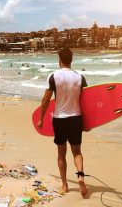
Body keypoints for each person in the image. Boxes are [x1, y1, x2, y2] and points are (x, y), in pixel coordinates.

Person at [37, 48, 88, 197]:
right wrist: (88, 123)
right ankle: (80, 176)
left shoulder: (53, 76)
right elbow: (86, 102)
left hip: (60, 119)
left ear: (59, 60)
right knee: (77, 152)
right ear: (71, 60)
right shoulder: (80, 77)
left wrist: (41, 118)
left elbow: (46, 100)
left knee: (61, 153)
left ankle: (65, 185)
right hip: (76, 118)